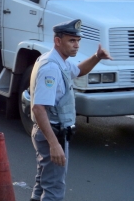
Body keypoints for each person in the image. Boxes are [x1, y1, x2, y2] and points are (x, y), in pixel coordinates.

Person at [29, 19, 112, 201]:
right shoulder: (51, 67)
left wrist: (96, 57)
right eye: (71, 41)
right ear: (58, 41)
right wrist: (54, 144)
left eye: (78, 41)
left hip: (52, 131)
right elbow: (38, 108)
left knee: (43, 183)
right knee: (54, 190)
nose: (76, 45)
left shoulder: (59, 61)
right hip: (53, 131)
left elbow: (77, 71)